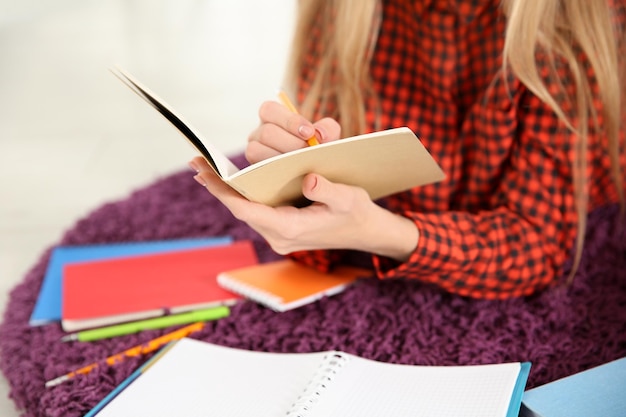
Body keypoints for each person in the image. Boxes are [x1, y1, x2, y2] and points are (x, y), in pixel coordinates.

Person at [189, 0, 626, 299]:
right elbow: (334, 194)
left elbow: (536, 242)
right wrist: (292, 179)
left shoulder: (574, 18)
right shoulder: (345, 12)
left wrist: (376, 231)